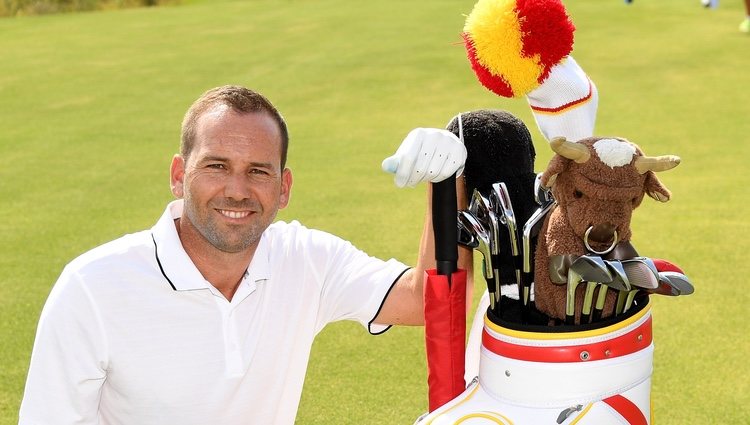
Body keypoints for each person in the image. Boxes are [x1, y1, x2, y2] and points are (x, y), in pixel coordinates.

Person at [18, 85, 468, 424]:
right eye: (216, 166)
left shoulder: (305, 258)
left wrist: (447, 182)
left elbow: (426, 302)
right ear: (178, 175)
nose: (237, 190)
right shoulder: (92, 286)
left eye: (258, 171)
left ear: (284, 188)